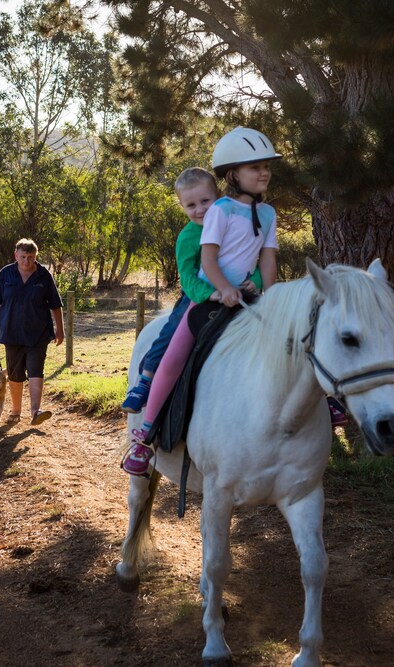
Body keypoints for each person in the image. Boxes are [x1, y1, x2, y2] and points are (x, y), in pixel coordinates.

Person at [121, 127, 282, 477]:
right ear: (233, 175)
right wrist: (220, 290)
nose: (264, 172)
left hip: (245, 293)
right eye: (255, 167)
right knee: (174, 351)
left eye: (266, 165)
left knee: (290, 339)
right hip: (207, 296)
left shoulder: (268, 215)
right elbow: (205, 264)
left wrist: (267, 293)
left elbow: (265, 261)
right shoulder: (220, 212)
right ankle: (144, 432)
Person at [120, 167, 265, 414]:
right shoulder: (188, 237)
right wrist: (211, 293)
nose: (200, 210)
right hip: (200, 295)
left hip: (239, 292)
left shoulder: (232, 224)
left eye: (206, 201)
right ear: (182, 206)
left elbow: (250, 257)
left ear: (218, 196)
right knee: (171, 332)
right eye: (191, 205)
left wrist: (258, 280)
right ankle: (145, 380)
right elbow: (187, 277)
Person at [0, 238, 64, 426]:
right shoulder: (6, 274)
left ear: (36, 256)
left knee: (37, 370)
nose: (26, 261)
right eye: (23, 257)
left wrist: (60, 329)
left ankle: (36, 411)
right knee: (15, 374)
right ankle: (15, 411)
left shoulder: (44, 276)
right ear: (16, 255)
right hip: (11, 333)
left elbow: (55, 304)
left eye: (30, 257)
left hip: (39, 333)